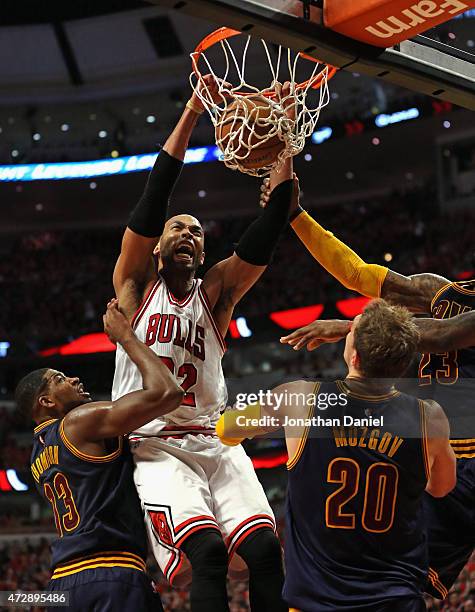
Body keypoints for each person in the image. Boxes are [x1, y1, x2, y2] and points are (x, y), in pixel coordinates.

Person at [111, 77, 296, 612]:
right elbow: (152, 199)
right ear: (159, 244)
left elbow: (269, 224)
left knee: (265, 552)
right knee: (208, 554)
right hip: (155, 440)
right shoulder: (134, 286)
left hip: (216, 437)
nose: (187, 234)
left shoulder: (216, 294)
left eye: (196, 230)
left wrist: (283, 140)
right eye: (177, 229)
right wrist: (194, 109)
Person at [260, 180, 475, 600]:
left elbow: (441, 337)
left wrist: (351, 327)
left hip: (465, 461)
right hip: (434, 455)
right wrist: (297, 218)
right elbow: (356, 272)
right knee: (403, 587)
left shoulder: (450, 312)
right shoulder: (442, 291)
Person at [217, 299, 456, 611]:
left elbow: (226, 430)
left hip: (316, 602)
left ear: (354, 355)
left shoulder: (299, 398)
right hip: (396, 600)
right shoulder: (430, 417)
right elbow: (441, 487)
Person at [16, 299, 184, 612]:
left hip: (61, 585)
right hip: (110, 571)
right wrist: (126, 337)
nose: (74, 379)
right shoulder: (79, 422)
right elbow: (168, 393)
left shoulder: (37, 460)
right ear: (46, 402)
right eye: (60, 379)